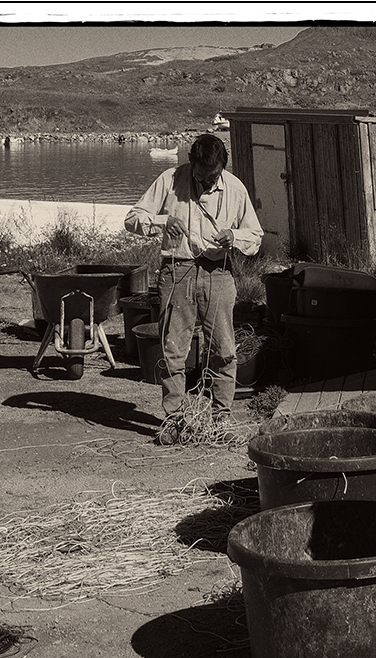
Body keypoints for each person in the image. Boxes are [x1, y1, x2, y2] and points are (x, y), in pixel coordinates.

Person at [125, 133, 264, 443]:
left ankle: (221, 418)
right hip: (178, 272)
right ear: (192, 164)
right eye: (201, 174)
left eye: (212, 175)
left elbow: (254, 236)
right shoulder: (169, 180)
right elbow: (132, 219)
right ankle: (174, 419)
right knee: (173, 349)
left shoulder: (235, 188)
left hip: (219, 274)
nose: (205, 180)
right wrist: (162, 222)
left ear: (221, 168)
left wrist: (234, 238)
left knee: (224, 350)